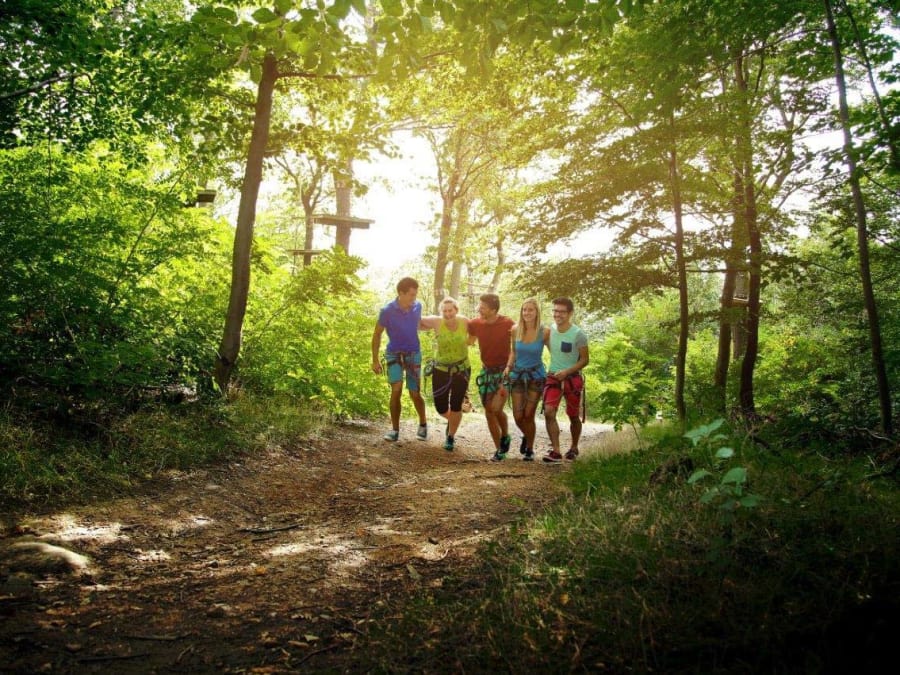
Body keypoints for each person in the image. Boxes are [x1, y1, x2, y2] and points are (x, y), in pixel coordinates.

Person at [371, 277, 428, 442]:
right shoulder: (387, 310)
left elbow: (419, 324)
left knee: (414, 393)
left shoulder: (418, 306)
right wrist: (375, 360)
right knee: (396, 390)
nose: (414, 298)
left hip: (413, 353)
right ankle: (395, 430)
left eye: (415, 295)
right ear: (401, 293)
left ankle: (423, 424)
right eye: (411, 295)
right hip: (394, 353)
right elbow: (377, 334)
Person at [467, 293, 515, 461]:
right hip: (486, 371)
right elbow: (468, 340)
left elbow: (519, 344)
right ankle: (499, 449)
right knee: (488, 411)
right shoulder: (475, 324)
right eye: (479, 306)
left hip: (505, 372)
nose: (479, 309)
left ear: (494, 309)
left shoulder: (508, 324)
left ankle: (506, 435)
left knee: (496, 409)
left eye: (483, 307)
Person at [542, 297, 589, 462]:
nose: (557, 314)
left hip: (572, 379)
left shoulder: (578, 334)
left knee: (573, 416)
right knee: (548, 412)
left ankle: (574, 447)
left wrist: (567, 371)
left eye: (561, 311)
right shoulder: (549, 331)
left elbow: (585, 360)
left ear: (570, 313)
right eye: (555, 311)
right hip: (553, 377)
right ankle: (555, 450)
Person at [420, 297, 471, 451]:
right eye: (445, 311)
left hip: (461, 369)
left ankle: (450, 437)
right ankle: (453, 420)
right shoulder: (436, 322)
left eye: (451, 310)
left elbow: (481, 329)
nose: (448, 313)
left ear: (456, 310)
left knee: (456, 405)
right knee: (440, 407)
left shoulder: (465, 322)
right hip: (441, 369)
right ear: (441, 311)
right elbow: (416, 320)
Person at [502, 298, 546, 461]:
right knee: (518, 416)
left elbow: (554, 350)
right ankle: (527, 435)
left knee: (529, 414)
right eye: (524, 310)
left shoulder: (544, 331)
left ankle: (529, 448)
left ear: (537, 312)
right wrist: (508, 366)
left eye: (530, 310)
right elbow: (513, 351)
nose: (527, 313)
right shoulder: (515, 329)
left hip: (536, 375)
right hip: (517, 375)